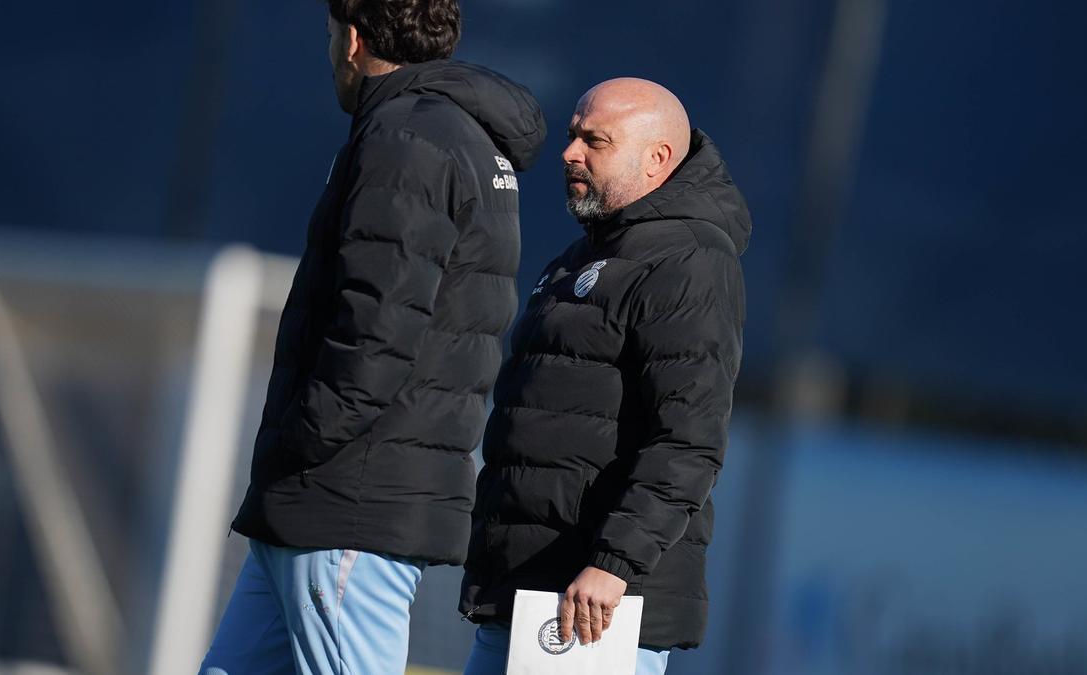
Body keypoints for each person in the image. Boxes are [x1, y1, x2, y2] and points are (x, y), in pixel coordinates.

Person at [199, 1, 546, 673]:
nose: (330, 50)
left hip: (347, 498)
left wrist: (303, 440)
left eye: (330, 35)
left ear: (353, 40)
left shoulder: (407, 137)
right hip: (318, 505)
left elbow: (376, 333)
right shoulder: (456, 137)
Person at [458, 78, 750, 675]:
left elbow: (688, 441)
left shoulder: (689, 259)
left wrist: (614, 564)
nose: (571, 153)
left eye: (596, 141)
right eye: (573, 136)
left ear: (657, 159)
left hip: (595, 610)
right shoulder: (582, 257)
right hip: (525, 588)